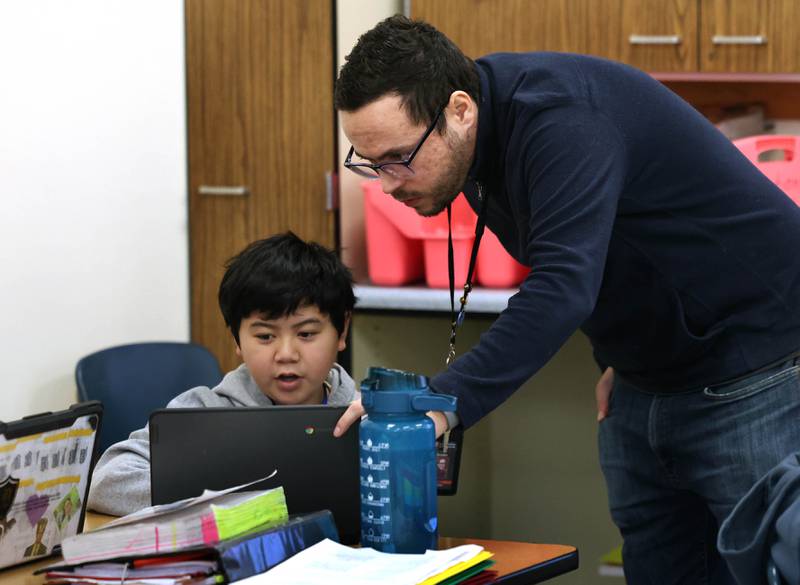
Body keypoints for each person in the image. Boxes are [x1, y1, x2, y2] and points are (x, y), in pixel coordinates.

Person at [332, 15, 800, 585]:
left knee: (772, 568)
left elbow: (562, 282)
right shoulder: (470, 142)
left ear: (460, 110)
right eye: (369, 162)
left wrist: (441, 399)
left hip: (758, 365)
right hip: (645, 377)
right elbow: (612, 249)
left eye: (398, 158)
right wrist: (618, 352)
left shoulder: (561, 118)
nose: (387, 184)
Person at [89, 232, 358, 516]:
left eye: (306, 333)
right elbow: (106, 482)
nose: (286, 353)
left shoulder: (368, 416)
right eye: (265, 336)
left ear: (341, 332)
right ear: (236, 340)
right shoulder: (202, 413)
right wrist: (224, 492)